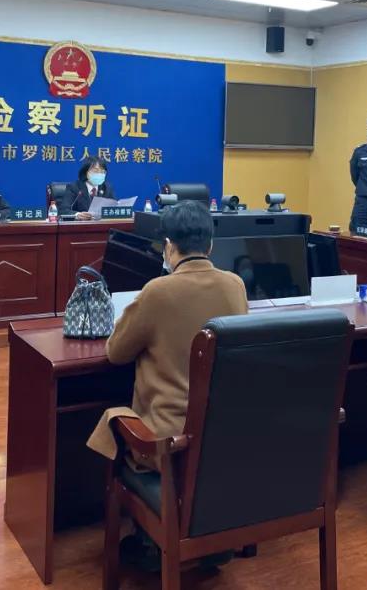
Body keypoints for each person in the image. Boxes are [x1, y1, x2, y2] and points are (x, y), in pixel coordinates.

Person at [93, 200, 248, 571]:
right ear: (210, 245)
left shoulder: (158, 290)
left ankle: (150, 543)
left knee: (114, 422)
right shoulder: (235, 285)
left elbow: (116, 352)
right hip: (222, 441)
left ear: (168, 246)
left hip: (169, 445)